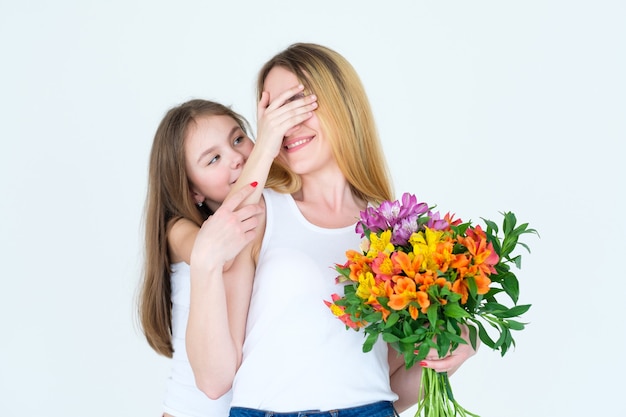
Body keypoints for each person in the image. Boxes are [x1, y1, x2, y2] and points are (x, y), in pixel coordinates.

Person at [186, 43, 477, 417]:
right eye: (273, 113)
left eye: (297, 103)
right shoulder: (257, 215)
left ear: (340, 101)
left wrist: (459, 341)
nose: (286, 124)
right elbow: (213, 380)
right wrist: (266, 145)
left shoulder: (392, 229)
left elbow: (393, 388)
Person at [138, 90, 318, 417]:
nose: (236, 157)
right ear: (192, 189)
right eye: (213, 159)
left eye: (238, 140)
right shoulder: (178, 232)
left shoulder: (272, 217)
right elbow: (222, 248)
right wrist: (265, 146)